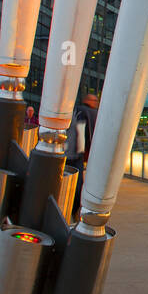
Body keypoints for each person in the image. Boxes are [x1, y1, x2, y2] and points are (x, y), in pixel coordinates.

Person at [65, 93, 99, 221]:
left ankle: (68, 209)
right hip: (76, 154)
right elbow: (88, 135)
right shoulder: (89, 112)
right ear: (88, 101)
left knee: (72, 181)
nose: (97, 102)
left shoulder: (77, 111)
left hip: (68, 152)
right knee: (79, 184)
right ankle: (73, 210)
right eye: (95, 100)